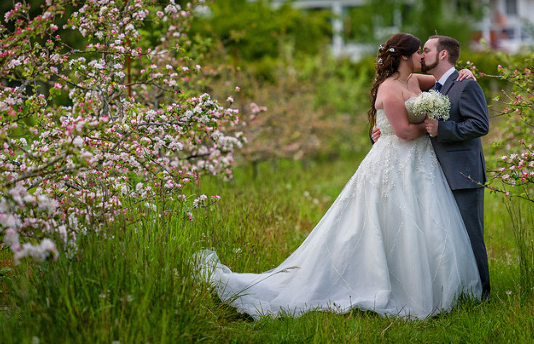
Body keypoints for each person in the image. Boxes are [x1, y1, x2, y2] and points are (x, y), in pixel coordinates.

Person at [197, 33, 482, 320]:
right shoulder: (389, 89)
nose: (422, 56)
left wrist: (465, 72)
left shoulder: (416, 81)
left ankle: (436, 283)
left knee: (426, 220)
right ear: (406, 56)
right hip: (395, 160)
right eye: (419, 52)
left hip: (420, 163)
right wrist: (430, 127)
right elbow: (405, 132)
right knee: (385, 222)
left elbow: (442, 84)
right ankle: (384, 284)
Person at [420, 35, 491, 299]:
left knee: (471, 234)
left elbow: (480, 125)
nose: (421, 55)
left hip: (463, 173)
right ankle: (457, 289)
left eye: (426, 50)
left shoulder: (466, 85)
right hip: (434, 174)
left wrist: (443, 129)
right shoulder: (429, 89)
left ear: (442, 55)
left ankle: (482, 293)